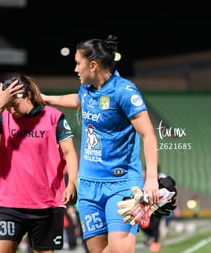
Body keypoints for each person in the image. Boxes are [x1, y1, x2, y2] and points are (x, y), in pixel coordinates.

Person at [41, 35, 160, 253]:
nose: (76, 69)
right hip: (88, 187)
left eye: (78, 63)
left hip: (121, 184)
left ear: (93, 65)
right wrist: (46, 99)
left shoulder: (124, 91)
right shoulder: (87, 88)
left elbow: (149, 135)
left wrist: (151, 179)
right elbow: (78, 100)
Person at [0, 73, 79, 253]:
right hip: (10, 203)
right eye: (8, 106)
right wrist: (1, 105)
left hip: (46, 203)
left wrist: (72, 182)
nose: (12, 110)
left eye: (14, 105)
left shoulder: (54, 117)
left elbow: (69, 153)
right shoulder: (5, 116)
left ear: (28, 96)